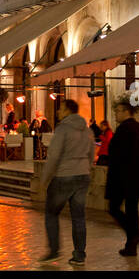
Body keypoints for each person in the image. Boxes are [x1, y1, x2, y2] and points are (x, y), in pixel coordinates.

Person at [40, 99, 94, 266]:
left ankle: (54, 251)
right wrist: (86, 168)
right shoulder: (87, 130)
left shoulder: (63, 129)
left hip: (64, 176)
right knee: (78, 217)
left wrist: (44, 180)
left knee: (51, 213)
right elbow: (91, 154)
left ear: (68, 111)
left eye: (61, 109)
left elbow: (54, 156)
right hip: (82, 175)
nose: (58, 112)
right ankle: (79, 255)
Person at [105, 101, 139, 257]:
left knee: (114, 208)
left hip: (123, 178)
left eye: (117, 111)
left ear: (126, 111)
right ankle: (131, 246)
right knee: (131, 210)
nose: (116, 114)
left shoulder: (123, 130)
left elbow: (117, 156)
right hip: (138, 177)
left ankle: (134, 235)